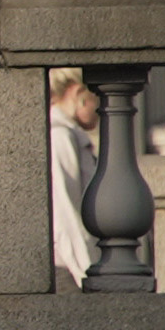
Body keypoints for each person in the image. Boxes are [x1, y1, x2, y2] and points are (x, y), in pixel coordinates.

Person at [50, 69, 101, 292]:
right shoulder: (60, 136)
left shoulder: (67, 134)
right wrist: (87, 276)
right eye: (96, 97)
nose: (100, 108)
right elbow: (66, 216)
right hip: (69, 271)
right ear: (79, 93)